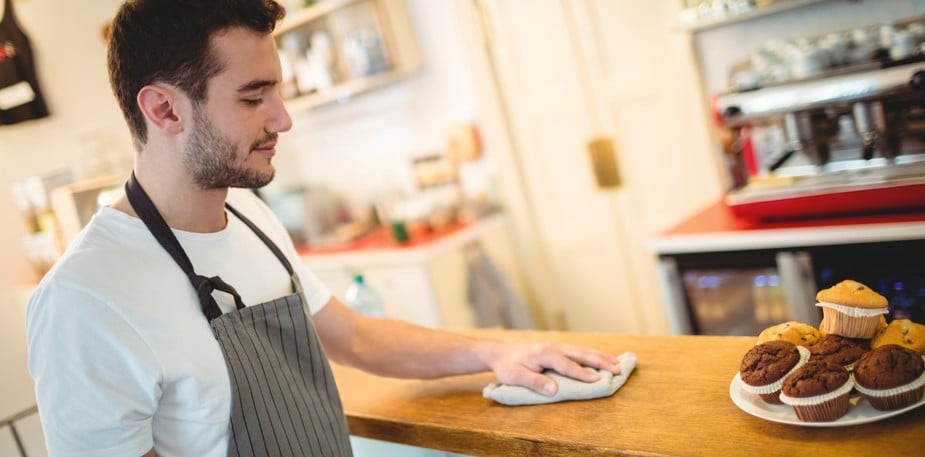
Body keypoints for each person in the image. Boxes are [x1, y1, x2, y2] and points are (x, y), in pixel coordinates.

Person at [25, 1, 622, 456]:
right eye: (254, 98)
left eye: (278, 91)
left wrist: (496, 352)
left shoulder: (251, 215)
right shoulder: (86, 299)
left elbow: (356, 339)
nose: (283, 119)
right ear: (164, 110)